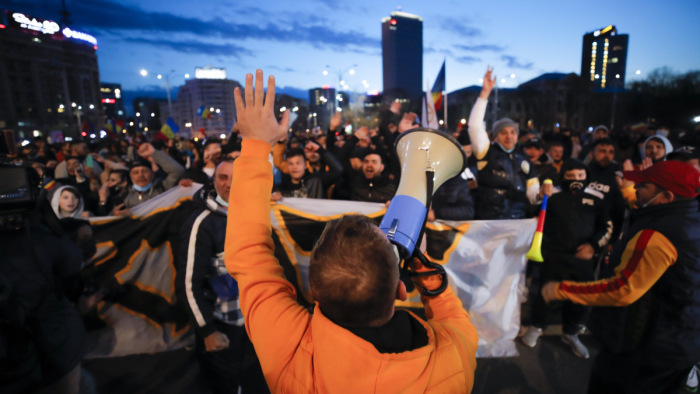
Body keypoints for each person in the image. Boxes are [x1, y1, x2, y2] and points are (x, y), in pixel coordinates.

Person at [224, 69, 478, 392]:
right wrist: (421, 260)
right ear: (402, 291)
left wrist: (255, 145)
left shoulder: (288, 347)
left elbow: (246, 254)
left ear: (313, 290)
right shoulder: (454, 355)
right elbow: (456, 323)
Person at [542, 160, 700, 393]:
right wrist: (628, 190)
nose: (635, 188)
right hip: (680, 339)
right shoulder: (688, 216)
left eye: (643, 185)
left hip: (645, 347)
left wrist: (563, 289)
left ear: (666, 196)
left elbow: (622, 289)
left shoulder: (656, 235)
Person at [178, 158, 267, 393]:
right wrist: (207, 330)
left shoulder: (255, 213)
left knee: (255, 380)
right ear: (214, 180)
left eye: (235, 178)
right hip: (222, 325)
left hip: (255, 323)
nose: (229, 184)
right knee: (224, 386)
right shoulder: (201, 224)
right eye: (223, 177)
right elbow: (188, 284)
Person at [520, 159, 613, 358]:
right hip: (553, 257)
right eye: (570, 176)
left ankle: (570, 334)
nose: (575, 180)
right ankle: (537, 327)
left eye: (580, 176)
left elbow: (606, 227)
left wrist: (593, 246)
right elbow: (534, 216)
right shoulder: (553, 197)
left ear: (586, 176)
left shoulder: (597, 199)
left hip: (582, 259)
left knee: (579, 298)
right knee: (546, 295)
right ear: (563, 177)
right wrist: (539, 196)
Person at [468, 67, 539, 219]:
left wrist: (540, 195)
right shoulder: (485, 152)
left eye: (513, 132)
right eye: (503, 132)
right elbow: (474, 126)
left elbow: (533, 194)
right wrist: (485, 94)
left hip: (517, 221)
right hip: (489, 220)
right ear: (495, 137)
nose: (509, 136)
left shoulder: (525, 160)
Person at [121, 142, 185, 210]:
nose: (140, 175)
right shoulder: (124, 196)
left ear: (152, 173)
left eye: (145, 171)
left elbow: (178, 171)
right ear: (130, 176)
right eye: (136, 173)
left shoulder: (163, 188)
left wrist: (154, 153)